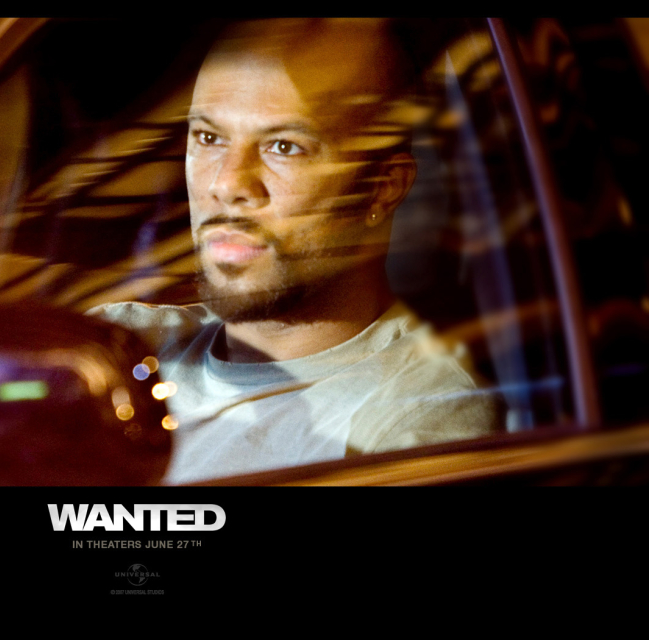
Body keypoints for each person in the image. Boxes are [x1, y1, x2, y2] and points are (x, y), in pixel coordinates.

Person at [89, 18, 501, 484]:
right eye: (208, 138)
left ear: (382, 189)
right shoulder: (114, 350)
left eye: (284, 147)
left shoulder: (413, 417)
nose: (227, 183)